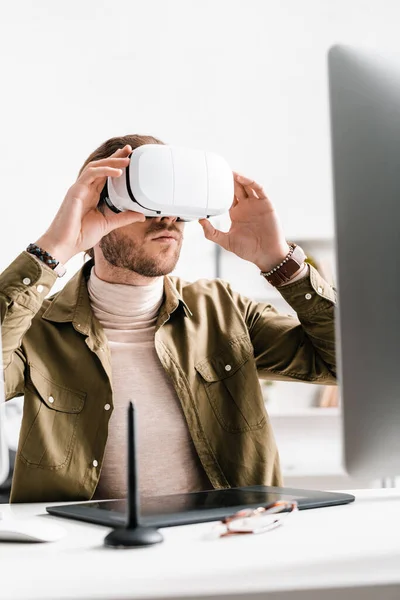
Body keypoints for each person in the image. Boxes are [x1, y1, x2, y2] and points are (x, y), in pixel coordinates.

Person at [0, 134, 337, 503]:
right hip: (86, 552)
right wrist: (53, 247)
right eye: (145, 202)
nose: (168, 219)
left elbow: (350, 367)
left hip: (226, 542)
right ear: (95, 208)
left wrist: (281, 263)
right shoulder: (34, 329)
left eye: (175, 204)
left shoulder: (224, 311)